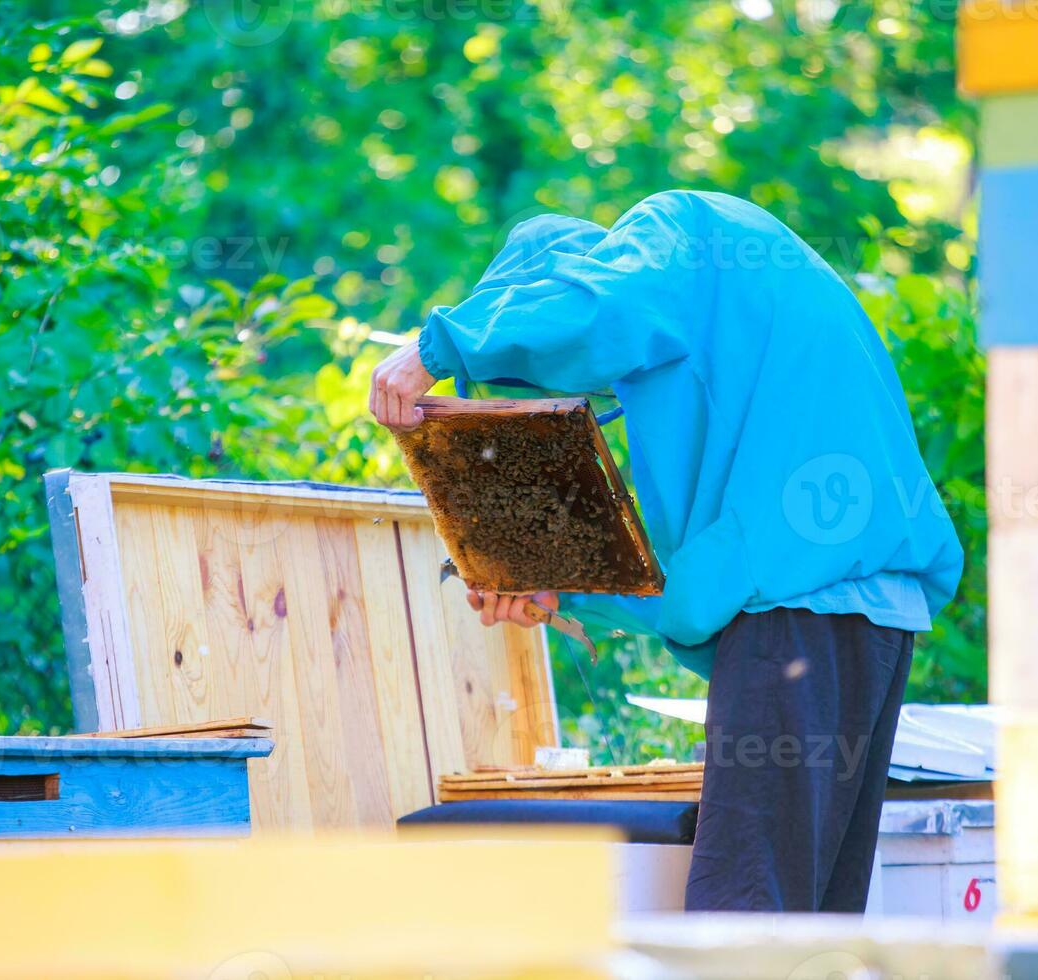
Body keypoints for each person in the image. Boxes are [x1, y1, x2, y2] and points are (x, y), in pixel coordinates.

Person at [369, 190, 962, 913]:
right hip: (865, 625)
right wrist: (569, 593)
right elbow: (716, 578)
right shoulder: (727, 337)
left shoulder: (674, 232)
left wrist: (439, 347)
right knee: (808, 931)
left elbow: (601, 310)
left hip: (800, 623)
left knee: (737, 926)